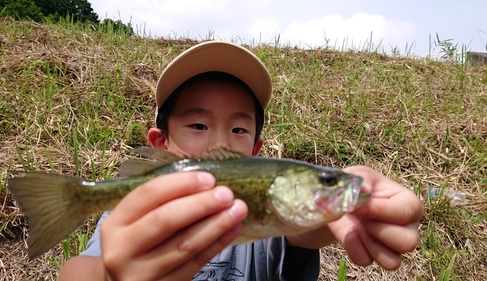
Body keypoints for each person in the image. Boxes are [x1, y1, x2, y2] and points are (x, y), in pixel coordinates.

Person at [58, 41, 423, 281]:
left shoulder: (280, 228)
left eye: (238, 129)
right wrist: (107, 276)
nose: (219, 141)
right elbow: (74, 272)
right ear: (161, 143)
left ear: (256, 150)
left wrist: (350, 194)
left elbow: (314, 228)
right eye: (198, 125)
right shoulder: (135, 213)